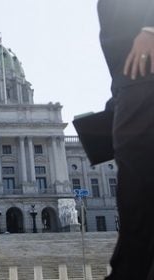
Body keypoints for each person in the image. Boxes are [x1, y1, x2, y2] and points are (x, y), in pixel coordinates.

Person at [97, 0, 154, 279]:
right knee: (136, 180)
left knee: (136, 178)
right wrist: (118, 96)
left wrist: (150, 29)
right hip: (130, 83)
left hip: (145, 77)